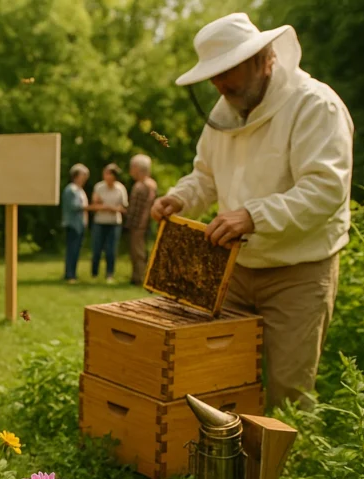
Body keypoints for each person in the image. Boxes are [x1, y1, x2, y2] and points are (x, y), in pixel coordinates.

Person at [151, 13, 353, 409]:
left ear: (264, 58)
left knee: (287, 389)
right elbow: (206, 176)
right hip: (236, 269)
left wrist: (253, 216)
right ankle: (228, 465)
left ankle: (286, 471)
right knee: (222, 376)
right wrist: (179, 197)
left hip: (299, 272)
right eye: (213, 75)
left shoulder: (314, 106)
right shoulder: (223, 114)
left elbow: (326, 190)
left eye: (228, 71)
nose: (219, 84)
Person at [88, 164, 129, 284]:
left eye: (109, 174)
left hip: (114, 223)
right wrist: (104, 206)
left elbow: (124, 208)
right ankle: (94, 274)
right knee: (96, 249)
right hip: (100, 222)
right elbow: (94, 205)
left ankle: (109, 274)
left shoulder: (120, 189)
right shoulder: (99, 187)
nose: (106, 176)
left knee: (111, 250)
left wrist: (112, 208)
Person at [125, 154, 158, 286]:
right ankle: (136, 277)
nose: (130, 170)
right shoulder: (141, 184)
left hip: (140, 225)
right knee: (134, 251)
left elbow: (146, 208)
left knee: (138, 252)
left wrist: (141, 225)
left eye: (132, 167)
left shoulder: (147, 185)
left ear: (137, 168)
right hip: (135, 224)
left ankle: (141, 278)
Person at [62, 164, 90, 283]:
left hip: (80, 224)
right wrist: (92, 207)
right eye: (83, 175)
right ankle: (70, 275)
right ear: (76, 175)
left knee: (76, 250)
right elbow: (74, 206)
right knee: (72, 249)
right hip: (73, 224)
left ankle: (72, 273)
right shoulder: (71, 189)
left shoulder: (80, 190)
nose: (85, 178)